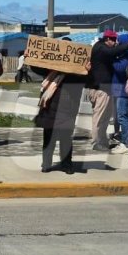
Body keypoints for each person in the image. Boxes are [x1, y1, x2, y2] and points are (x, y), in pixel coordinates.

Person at [32, 38, 90, 173]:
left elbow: (86, 81)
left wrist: (87, 70)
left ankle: (67, 165)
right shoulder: (50, 68)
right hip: (50, 108)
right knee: (49, 138)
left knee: (66, 139)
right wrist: (32, 57)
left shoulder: (76, 70)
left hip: (68, 108)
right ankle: (46, 164)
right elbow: (36, 66)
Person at [85, 30, 128, 152]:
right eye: (113, 40)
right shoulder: (101, 48)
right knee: (100, 117)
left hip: (100, 88)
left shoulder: (101, 49)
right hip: (100, 89)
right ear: (107, 39)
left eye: (117, 41)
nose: (115, 43)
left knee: (104, 117)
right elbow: (113, 53)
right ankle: (97, 142)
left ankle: (102, 141)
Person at [110, 34, 128, 154]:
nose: (116, 44)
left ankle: (127, 143)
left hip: (123, 91)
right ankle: (124, 137)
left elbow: (120, 68)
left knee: (123, 116)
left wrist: (111, 59)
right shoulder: (125, 54)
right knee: (121, 115)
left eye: (118, 42)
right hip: (118, 88)